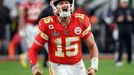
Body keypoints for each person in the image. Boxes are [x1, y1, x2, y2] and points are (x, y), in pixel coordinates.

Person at [28, 0, 99, 75]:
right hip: (58, 66)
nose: (65, 5)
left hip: (78, 65)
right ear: (55, 7)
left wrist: (93, 67)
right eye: (61, 3)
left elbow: (92, 46)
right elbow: (34, 49)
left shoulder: (80, 21)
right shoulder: (48, 25)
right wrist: (34, 66)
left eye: (67, 3)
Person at [113, 0, 133, 67]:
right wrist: (117, 20)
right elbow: (114, 19)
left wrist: (131, 19)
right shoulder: (118, 10)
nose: (124, 3)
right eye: (123, 2)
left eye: (125, 2)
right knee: (121, 45)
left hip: (129, 30)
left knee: (129, 45)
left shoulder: (130, 10)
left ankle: (130, 60)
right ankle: (119, 60)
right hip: (121, 30)